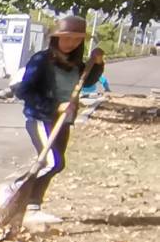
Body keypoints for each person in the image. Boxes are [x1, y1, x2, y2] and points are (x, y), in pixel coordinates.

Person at [10, 16, 101, 225]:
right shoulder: (42, 60)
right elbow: (24, 90)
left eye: (77, 39)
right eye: (67, 38)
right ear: (56, 38)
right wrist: (54, 106)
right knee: (52, 162)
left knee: (56, 165)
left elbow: (87, 81)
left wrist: (97, 63)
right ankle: (13, 191)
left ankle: (33, 207)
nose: (72, 43)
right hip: (41, 118)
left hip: (64, 120)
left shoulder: (75, 63)